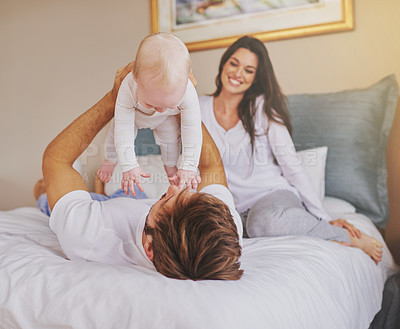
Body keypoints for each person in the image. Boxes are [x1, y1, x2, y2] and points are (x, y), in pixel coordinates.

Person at [41, 62, 243, 280]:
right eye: (190, 194)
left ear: (149, 247)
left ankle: (41, 193)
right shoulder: (223, 236)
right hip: (136, 199)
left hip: (105, 205)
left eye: (168, 201)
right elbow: (211, 167)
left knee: (45, 197)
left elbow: (57, 160)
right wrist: (182, 105)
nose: (174, 186)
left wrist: (115, 99)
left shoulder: (90, 235)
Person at [199, 35, 383, 264]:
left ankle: (345, 237)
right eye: (234, 64)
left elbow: (291, 166)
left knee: (263, 222)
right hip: (230, 207)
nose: (237, 74)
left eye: (248, 70)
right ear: (224, 63)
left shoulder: (262, 109)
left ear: (256, 78)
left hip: (271, 197)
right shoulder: (197, 109)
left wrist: (323, 217)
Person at [97, 33, 202, 195]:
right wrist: (129, 166)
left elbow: (192, 130)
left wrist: (189, 166)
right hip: (136, 114)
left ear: (187, 81)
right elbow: (123, 130)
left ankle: (170, 167)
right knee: (116, 130)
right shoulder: (128, 88)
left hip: (166, 119)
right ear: (135, 77)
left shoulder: (188, 92)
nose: (158, 109)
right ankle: (109, 160)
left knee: (172, 139)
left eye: (170, 104)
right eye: (151, 103)